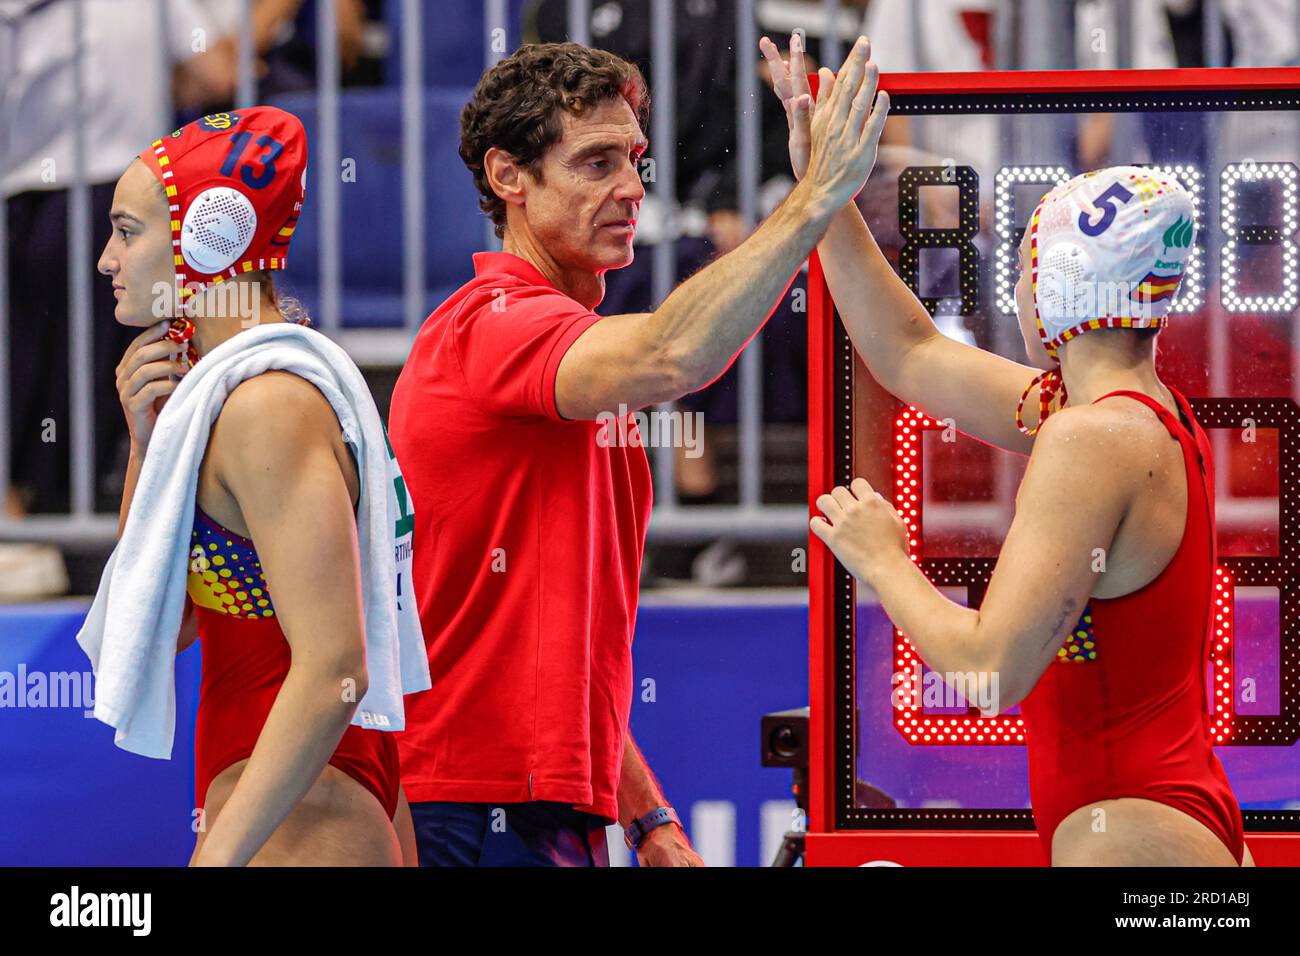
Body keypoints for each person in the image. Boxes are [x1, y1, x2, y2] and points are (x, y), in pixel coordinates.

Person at [389, 38, 887, 866]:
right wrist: (817, 193)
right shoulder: (491, 325)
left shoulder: (565, 358)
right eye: (595, 163)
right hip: (469, 810)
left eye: (634, 158)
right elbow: (673, 355)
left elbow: (556, 650)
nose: (631, 187)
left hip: (540, 805)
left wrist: (648, 820)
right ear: (508, 176)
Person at [763, 34, 1250, 866]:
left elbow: (990, 674)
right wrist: (826, 190)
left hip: (1132, 839)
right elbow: (909, 352)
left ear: (1052, 286)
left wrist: (884, 560)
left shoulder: (1092, 439)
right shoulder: (1129, 414)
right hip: (1163, 823)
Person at [99, 106, 417, 866]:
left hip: (304, 813)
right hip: (286, 800)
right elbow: (154, 628)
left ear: (209, 237)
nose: (107, 259)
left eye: (128, 231)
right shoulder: (216, 401)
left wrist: (217, 860)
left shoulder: (268, 408)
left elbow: (337, 666)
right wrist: (146, 449)